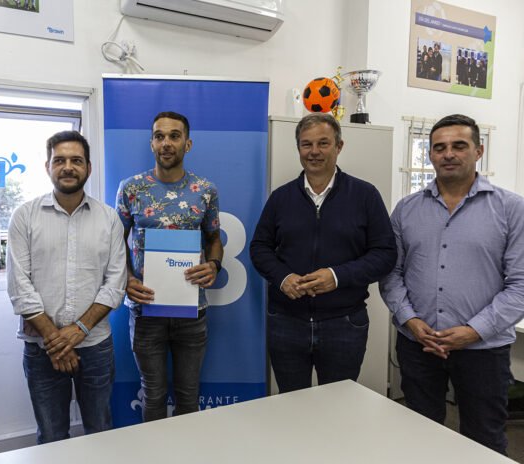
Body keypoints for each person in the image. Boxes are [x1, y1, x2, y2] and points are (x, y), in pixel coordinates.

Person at [380, 114, 524, 455]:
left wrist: (473, 331)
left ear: (478, 151)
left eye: (459, 146)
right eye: (439, 147)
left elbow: (520, 285)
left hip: (483, 350)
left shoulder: (511, 209)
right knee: (419, 436)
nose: (448, 154)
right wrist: (410, 321)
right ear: (430, 154)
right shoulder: (406, 209)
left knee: (484, 440)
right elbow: (390, 274)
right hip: (418, 345)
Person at [250, 113, 396, 393]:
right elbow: (259, 247)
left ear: (339, 146)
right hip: (286, 323)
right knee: (292, 404)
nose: (314, 151)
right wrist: (283, 278)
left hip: (344, 324)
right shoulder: (281, 198)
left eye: (323, 143)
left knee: (338, 405)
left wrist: (337, 276)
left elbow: (385, 254)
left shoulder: (365, 195)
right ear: (298, 148)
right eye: (306, 144)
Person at [6, 131, 126, 443]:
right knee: (51, 435)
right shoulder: (24, 216)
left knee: (100, 431)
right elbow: (19, 285)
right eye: (59, 160)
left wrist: (79, 330)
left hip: (95, 346)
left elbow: (115, 283)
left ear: (89, 167)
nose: (68, 167)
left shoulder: (109, 219)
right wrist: (55, 339)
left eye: (76, 160)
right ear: (47, 166)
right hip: (42, 349)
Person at [115, 111, 223, 421]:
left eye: (174, 136)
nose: (166, 143)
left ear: (187, 144)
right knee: (153, 394)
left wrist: (214, 264)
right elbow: (114, 242)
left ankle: (186, 447)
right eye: (159, 136)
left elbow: (214, 239)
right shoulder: (131, 188)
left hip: (191, 311)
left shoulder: (205, 190)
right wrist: (127, 278)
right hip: (146, 310)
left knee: (189, 395)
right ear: (151, 143)